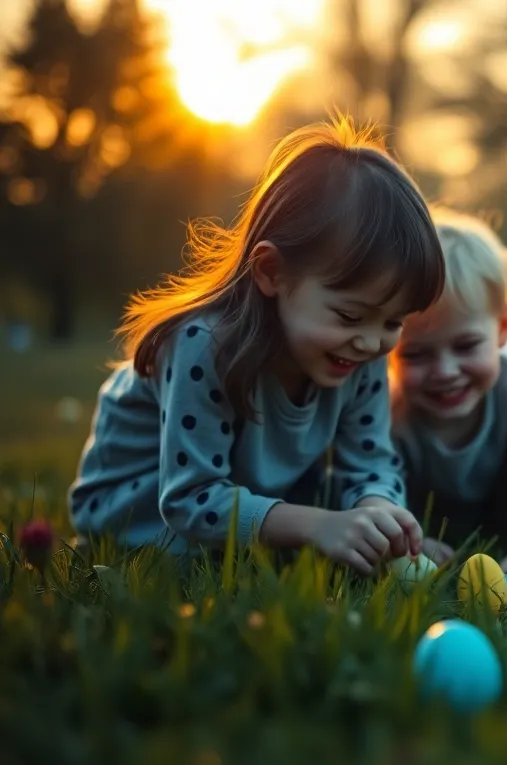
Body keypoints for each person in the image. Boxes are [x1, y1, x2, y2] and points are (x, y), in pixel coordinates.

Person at [67, 118, 443, 575]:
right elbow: (190, 499)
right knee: (208, 562)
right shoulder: (202, 347)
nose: (372, 341)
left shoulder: (359, 352)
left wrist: (378, 513)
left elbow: (370, 463)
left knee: (325, 534)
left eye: (395, 321)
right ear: (270, 272)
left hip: (260, 493)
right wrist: (318, 526)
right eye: (349, 315)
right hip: (139, 509)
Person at [388, 210, 507, 587]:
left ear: (505, 325)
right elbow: (371, 478)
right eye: (415, 354)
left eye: (466, 345)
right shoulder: (385, 406)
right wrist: (407, 541)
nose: (445, 371)